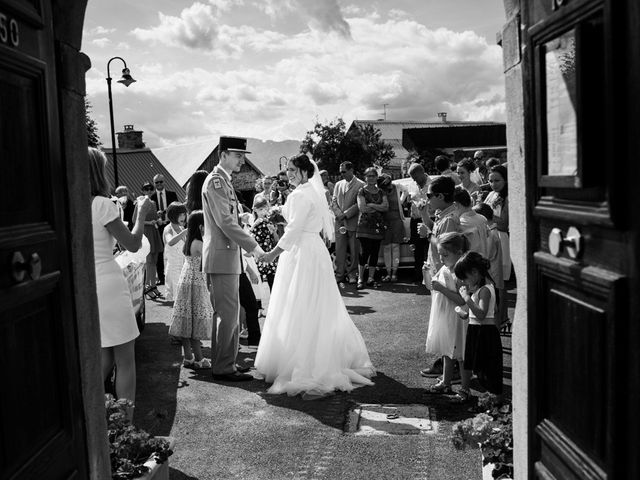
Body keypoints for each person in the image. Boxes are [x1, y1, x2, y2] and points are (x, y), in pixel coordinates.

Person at [255, 154, 375, 398]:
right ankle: (322, 354)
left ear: (302, 171)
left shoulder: (299, 194)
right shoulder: (312, 191)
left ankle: (305, 361)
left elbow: (293, 231)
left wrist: (272, 254)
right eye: (287, 169)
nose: (288, 173)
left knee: (300, 303)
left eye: (291, 169)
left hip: (302, 252)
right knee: (316, 303)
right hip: (314, 250)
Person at [89, 147, 155, 420]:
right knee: (125, 359)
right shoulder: (102, 204)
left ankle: (92, 417)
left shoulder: (69, 203)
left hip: (86, 283)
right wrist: (141, 212)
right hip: (108, 281)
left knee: (103, 356)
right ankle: (125, 427)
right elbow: (132, 243)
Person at [202, 136, 264, 382]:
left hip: (227, 257)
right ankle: (224, 366)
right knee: (227, 314)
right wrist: (254, 247)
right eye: (238, 155)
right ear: (223, 154)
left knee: (230, 313)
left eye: (243, 155)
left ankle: (226, 363)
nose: (242, 160)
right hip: (221, 257)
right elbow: (226, 222)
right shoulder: (216, 181)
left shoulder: (223, 181)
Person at [419, 176, 461, 378]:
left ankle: (450, 366)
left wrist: (427, 234)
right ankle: (446, 363)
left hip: (446, 277)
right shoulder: (442, 214)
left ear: (441, 196)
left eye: (429, 195)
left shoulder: (450, 218)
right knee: (441, 322)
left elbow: (447, 248)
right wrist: (424, 218)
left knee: (446, 323)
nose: (427, 199)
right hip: (437, 273)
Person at [454, 251, 503, 400]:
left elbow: (481, 314)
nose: (464, 282)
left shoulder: (485, 290)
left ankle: (496, 400)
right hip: (476, 330)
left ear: (475, 272)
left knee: (488, 367)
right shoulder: (478, 290)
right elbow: (471, 315)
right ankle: (491, 398)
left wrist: (466, 299)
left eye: (465, 278)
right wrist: (460, 311)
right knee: (479, 367)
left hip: (485, 332)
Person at [424, 233, 468, 395]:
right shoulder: (445, 268)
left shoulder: (459, 273)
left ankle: (465, 388)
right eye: (440, 254)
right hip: (444, 317)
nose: (441, 258)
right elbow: (431, 286)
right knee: (446, 352)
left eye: (445, 255)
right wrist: (427, 274)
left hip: (456, 318)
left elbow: (462, 300)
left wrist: (442, 289)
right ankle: (446, 382)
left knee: (461, 355)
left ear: (459, 253)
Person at [168, 210, 213, 369]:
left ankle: (188, 357)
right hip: (195, 282)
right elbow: (211, 259)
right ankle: (200, 359)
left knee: (187, 320)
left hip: (186, 279)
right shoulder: (199, 243)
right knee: (194, 321)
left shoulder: (189, 240)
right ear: (200, 226)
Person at [332, 161, 365, 284]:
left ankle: (352, 274)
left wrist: (346, 214)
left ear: (351, 170)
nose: (341, 174)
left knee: (354, 250)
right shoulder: (338, 184)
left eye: (344, 172)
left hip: (353, 222)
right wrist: (338, 214)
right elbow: (333, 201)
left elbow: (359, 204)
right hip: (340, 222)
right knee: (339, 250)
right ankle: (339, 274)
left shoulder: (361, 184)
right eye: (340, 172)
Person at [355, 167, 388, 289]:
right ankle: (360, 278)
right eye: (368, 176)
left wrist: (372, 205)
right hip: (364, 226)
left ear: (376, 177)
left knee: (375, 252)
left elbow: (386, 207)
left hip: (378, 226)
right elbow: (362, 208)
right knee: (364, 252)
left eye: (373, 176)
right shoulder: (361, 191)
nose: (371, 178)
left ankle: (370, 278)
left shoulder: (381, 192)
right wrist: (378, 206)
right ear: (365, 178)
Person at [135, 182, 164, 299]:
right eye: (146, 189)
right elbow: (135, 220)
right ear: (142, 191)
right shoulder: (139, 203)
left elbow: (156, 218)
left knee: (154, 260)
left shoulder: (153, 203)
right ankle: (147, 287)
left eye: (150, 189)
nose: (149, 191)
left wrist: (158, 219)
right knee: (149, 261)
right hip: (146, 233)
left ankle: (152, 285)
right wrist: (149, 222)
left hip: (154, 232)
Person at [484, 165, 510, 284]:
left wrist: (487, 215)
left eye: (497, 180)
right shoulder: (491, 194)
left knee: (500, 279)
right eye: (491, 181)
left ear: (505, 179)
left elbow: (504, 224)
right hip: (486, 236)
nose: (493, 184)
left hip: (500, 238)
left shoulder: (508, 198)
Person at [151, 174, 179, 285]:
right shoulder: (151, 198)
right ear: (154, 184)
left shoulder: (172, 194)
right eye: (156, 182)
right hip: (158, 227)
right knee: (160, 252)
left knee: (173, 250)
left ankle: (174, 275)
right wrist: (156, 214)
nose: (159, 184)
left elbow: (178, 208)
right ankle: (162, 278)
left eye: (161, 182)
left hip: (170, 225)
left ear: (164, 182)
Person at [407, 163, 431, 284]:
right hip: (415, 219)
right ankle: (418, 276)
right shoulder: (412, 185)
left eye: (415, 177)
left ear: (422, 173)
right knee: (417, 249)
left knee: (429, 247)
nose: (414, 180)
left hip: (429, 218)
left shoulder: (432, 184)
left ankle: (430, 276)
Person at [378, 174, 404, 282]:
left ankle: (394, 273)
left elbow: (407, 191)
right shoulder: (380, 191)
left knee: (395, 247)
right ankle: (388, 273)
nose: (388, 187)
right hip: (385, 221)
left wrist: (401, 202)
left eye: (388, 184)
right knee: (387, 248)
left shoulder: (397, 186)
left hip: (397, 220)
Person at [250, 196, 278, 289]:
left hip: (269, 253)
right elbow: (250, 234)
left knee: (272, 281)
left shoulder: (269, 221)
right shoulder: (254, 223)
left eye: (265, 209)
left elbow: (276, 239)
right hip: (259, 253)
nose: (263, 212)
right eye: (260, 209)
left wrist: (273, 231)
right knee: (259, 282)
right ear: (255, 210)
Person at [163, 201, 188, 302]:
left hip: (183, 266)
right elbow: (170, 242)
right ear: (173, 215)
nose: (183, 217)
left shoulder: (182, 228)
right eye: (180, 215)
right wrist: (185, 232)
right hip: (174, 268)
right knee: (179, 298)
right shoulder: (168, 229)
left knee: (184, 297)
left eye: (184, 214)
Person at [454, 188, 489, 257]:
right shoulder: (483, 218)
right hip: (484, 262)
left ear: (455, 205)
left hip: (469, 264)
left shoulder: (461, 223)